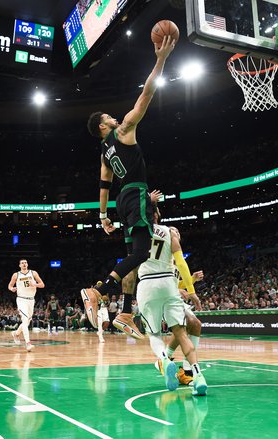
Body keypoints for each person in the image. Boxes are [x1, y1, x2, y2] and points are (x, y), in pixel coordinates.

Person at [80, 34, 176, 340]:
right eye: (108, 115)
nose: (113, 115)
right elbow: (146, 94)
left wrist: (103, 216)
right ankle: (99, 291)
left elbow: (103, 186)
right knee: (142, 252)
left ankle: (124, 311)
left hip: (122, 199)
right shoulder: (123, 130)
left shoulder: (103, 153)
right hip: (135, 194)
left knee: (131, 259)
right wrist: (161, 59)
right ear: (102, 126)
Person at [137, 203, 207, 396]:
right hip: (168, 287)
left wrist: (190, 281)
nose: (175, 231)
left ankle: (169, 362)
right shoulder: (169, 240)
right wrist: (190, 289)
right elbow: (179, 275)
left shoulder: (141, 233)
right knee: (182, 330)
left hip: (151, 286)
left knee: (187, 326)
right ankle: (188, 370)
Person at [8, 259, 45, 352]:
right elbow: (10, 285)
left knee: (27, 322)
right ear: (19, 265)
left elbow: (42, 284)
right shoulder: (16, 275)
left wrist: (35, 284)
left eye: (25, 263)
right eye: (22, 263)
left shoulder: (33, 273)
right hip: (21, 299)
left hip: (31, 300)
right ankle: (28, 343)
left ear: (27, 264)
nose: (24, 264)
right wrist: (12, 288)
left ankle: (16, 334)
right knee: (25, 320)